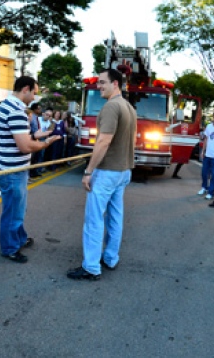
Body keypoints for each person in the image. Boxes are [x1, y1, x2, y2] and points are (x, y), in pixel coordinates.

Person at [66, 68, 136, 281]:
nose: (99, 86)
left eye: (103, 82)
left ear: (116, 83)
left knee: (94, 220)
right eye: (98, 83)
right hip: (124, 171)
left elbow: (104, 141)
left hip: (107, 172)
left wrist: (88, 171)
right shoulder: (129, 108)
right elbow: (131, 141)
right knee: (116, 216)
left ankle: (91, 267)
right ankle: (111, 257)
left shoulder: (111, 107)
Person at [0, 76, 61, 263]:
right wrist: (45, 143)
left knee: (16, 208)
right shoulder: (15, 111)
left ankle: (19, 238)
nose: (34, 98)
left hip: (8, 168)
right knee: (14, 210)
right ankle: (10, 247)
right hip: (11, 170)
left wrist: (35, 135)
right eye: (34, 93)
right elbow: (24, 146)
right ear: (25, 89)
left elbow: (19, 136)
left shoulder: (8, 106)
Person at [198, 110, 214, 200]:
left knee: (213, 175)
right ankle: (204, 187)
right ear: (213, 116)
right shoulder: (209, 126)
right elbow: (205, 139)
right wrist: (203, 151)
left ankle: (211, 192)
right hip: (207, 155)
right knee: (204, 173)